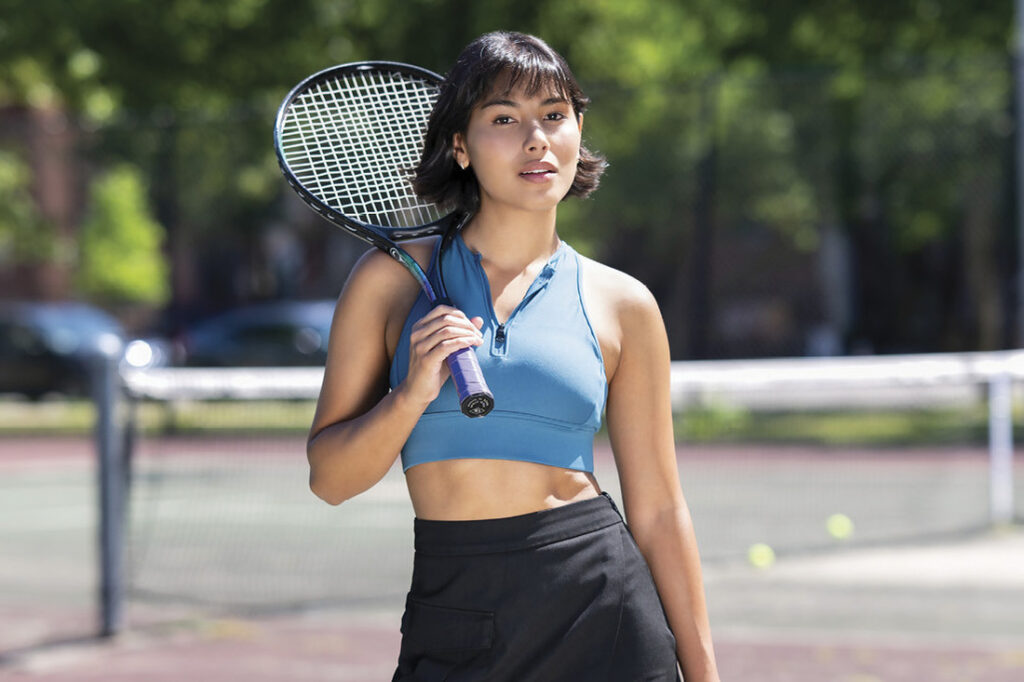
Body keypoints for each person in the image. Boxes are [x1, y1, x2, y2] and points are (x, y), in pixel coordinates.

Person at [307, 31, 721, 682]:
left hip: (602, 608)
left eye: (555, 115)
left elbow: (661, 509)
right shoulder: (389, 281)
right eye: (504, 118)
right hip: (455, 611)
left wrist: (703, 673)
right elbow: (330, 481)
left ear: (578, 132)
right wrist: (411, 392)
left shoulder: (624, 303)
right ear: (460, 146)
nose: (536, 138)